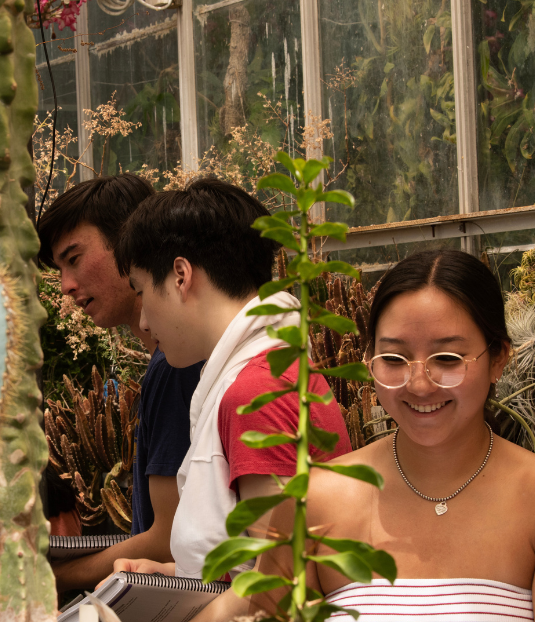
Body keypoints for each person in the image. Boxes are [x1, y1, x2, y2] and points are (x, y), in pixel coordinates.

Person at [89, 249, 535, 622]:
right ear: (369, 362)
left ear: (499, 357)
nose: (420, 383)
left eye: (448, 359)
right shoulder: (316, 497)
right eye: (394, 358)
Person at [110, 176, 353, 581]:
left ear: (180, 276)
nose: (144, 320)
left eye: (141, 292)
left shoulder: (258, 391)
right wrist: (171, 573)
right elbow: (253, 565)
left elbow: (280, 593)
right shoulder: (264, 369)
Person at [37, 174, 202, 622]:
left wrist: (52, 576)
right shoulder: (165, 364)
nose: (64, 284)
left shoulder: (177, 369)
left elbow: (164, 540)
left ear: (132, 247)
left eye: (74, 258)